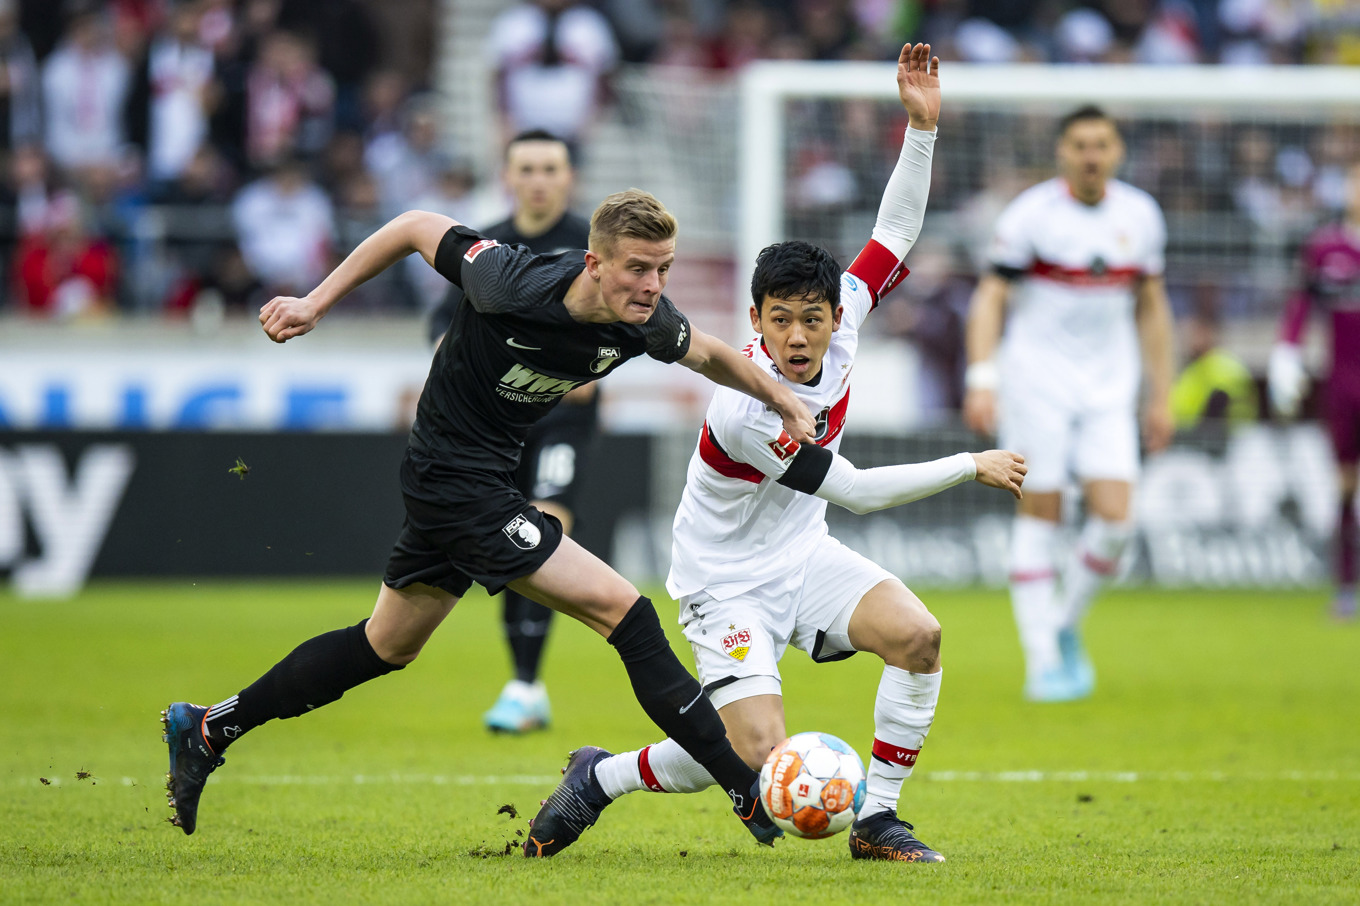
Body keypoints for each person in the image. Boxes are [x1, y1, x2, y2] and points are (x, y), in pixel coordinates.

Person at [161, 185, 817, 844]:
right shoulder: (511, 282)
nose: (653, 285)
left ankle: (209, 727)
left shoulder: (644, 320)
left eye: (664, 269)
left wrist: (784, 402)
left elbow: (709, 354)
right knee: (627, 612)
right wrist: (315, 301)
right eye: (638, 268)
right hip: (455, 482)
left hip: (473, 480)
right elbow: (416, 225)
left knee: (386, 645)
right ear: (595, 262)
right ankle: (743, 787)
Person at [526, 44, 1025, 864]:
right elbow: (856, 490)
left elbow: (894, 230)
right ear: (755, 320)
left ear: (837, 313)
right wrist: (970, 464)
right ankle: (602, 775)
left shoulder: (851, 310)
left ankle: (877, 821)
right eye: (779, 319)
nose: (797, 337)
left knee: (919, 638)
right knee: (753, 751)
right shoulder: (744, 408)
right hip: (725, 581)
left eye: (812, 318)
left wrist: (920, 129)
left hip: (801, 552)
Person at [962, 105, 1174, 702]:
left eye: (1101, 144)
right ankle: (1040, 664)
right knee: (1042, 512)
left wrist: (1161, 393)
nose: (1090, 155)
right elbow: (990, 298)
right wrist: (982, 375)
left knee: (1117, 523)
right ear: (1062, 152)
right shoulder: (1031, 215)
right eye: (1080, 144)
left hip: (1111, 388)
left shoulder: (1141, 215)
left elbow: (1153, 307)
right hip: (1037, 383)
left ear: (1117, 152)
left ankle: (1060, 625)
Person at [426, 129, 595, 733]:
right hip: (495, 428)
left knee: (546, 522)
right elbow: (442, 333)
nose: (539, 180)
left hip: (562, 421)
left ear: (569, 177)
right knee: (508, 537)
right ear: (508, 177)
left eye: (551, 167)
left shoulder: (592, 245)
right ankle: (527, 685)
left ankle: (523, 685)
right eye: (527, 168)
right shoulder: (487, 249)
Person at [1269, 160, 1360, 621]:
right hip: (1344, 383)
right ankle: (1347, 587)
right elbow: (1300, 307)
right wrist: (1287, 353)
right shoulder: (1325, 247)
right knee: (1344, 485)